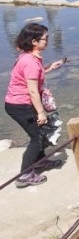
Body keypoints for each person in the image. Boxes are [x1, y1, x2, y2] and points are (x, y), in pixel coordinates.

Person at [5, 23, 66, 188]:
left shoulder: (29, 57)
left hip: (20, 104)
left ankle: (39, 163)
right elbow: (32, 90)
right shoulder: (30, 62)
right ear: (34, 41)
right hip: (21, 105)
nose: (47, 41)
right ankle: (24, 175)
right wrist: (41, 113)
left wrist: (49, 68)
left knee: (40, 134)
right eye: (45, 39)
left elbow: (32, 76)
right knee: (37, 139)